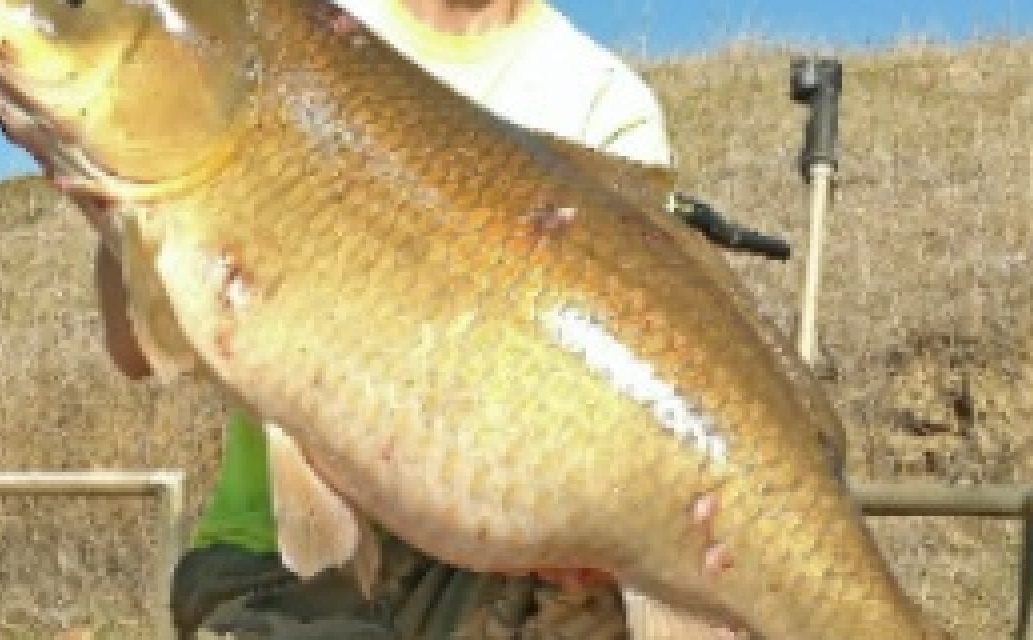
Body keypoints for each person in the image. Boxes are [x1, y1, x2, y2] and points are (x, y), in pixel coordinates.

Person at [90, 0, 718, 637]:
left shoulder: (606, 103)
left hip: (500, 569)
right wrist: (122, 191)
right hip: (275, 555)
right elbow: (137, 348)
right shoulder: (297, 29)